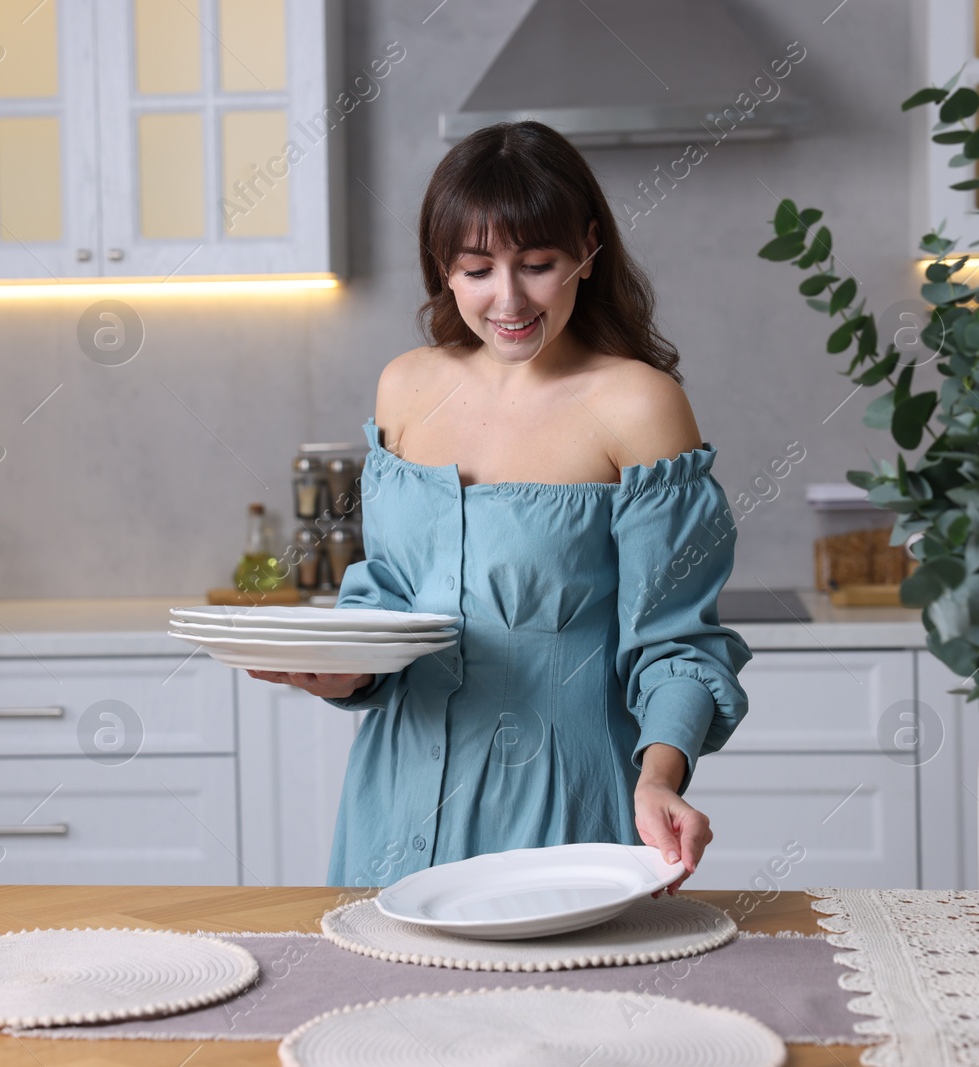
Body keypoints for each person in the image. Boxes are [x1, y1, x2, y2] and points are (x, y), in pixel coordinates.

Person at [247, 120, 751, 892]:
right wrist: (346, 670)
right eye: (477, 268)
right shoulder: (405, 385)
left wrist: (658, 777)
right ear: (443, 269)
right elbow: (389, 594)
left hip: (560, 799)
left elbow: (675, 641)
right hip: (395, 794)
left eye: (538, 264)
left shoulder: (638, 405)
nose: (508, 298)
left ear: (588, 248)